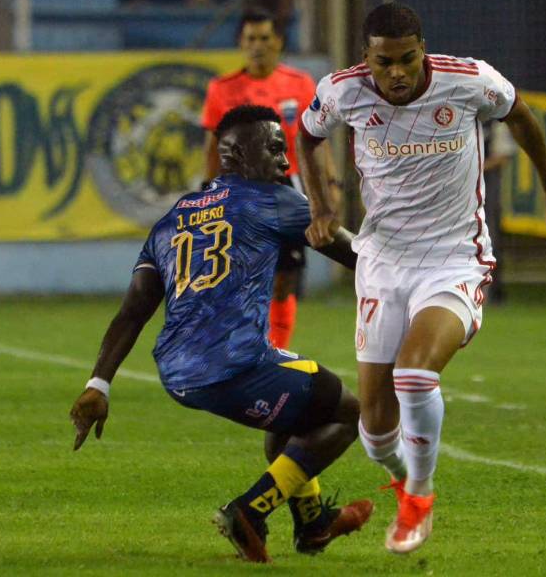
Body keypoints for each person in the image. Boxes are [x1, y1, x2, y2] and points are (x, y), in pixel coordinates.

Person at [296, 2, 546, 554]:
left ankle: (419, 497)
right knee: (376, 434)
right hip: (382, 263)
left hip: (454, 259)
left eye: (407, 59)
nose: (397, 73)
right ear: (366, 58)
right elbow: (306, 135)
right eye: (384, 63)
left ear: (422, 50)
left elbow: (519, 113)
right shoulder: (343, 92)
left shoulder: (468, 81)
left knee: (415, 373)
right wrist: (321, 205)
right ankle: (404, 479)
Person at [69, 105, 372, 564]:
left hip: (178, 375)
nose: (285, 162)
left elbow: (133, 311)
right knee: (348, 413)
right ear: (233, 154)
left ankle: (313, 526)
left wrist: (99, 384)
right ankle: (249, 511)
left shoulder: (173, 218)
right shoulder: (271, 199)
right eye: (274, 149)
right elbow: (361, 257)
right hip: (236, 363)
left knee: (295, 413)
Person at [202, 8, 320, 351]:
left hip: (287, 188)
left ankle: (275, 351)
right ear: (241, 43)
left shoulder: (300, 85)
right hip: (240, 191)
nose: (258, 46)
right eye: (251, 38)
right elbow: (213, 145)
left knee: (284, 279)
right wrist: (208, 191)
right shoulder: (222, 89)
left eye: (265, 38)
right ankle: (239, 348)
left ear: (278, 42)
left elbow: (313, 142)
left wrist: (325, 190)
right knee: (238, 276)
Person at [483, 121, 517, 303]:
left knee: (490, 237)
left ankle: (492, 292)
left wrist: (475, 167)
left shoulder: (494, 122)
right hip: (458, 189)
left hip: (487, 188)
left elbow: (503, 156)